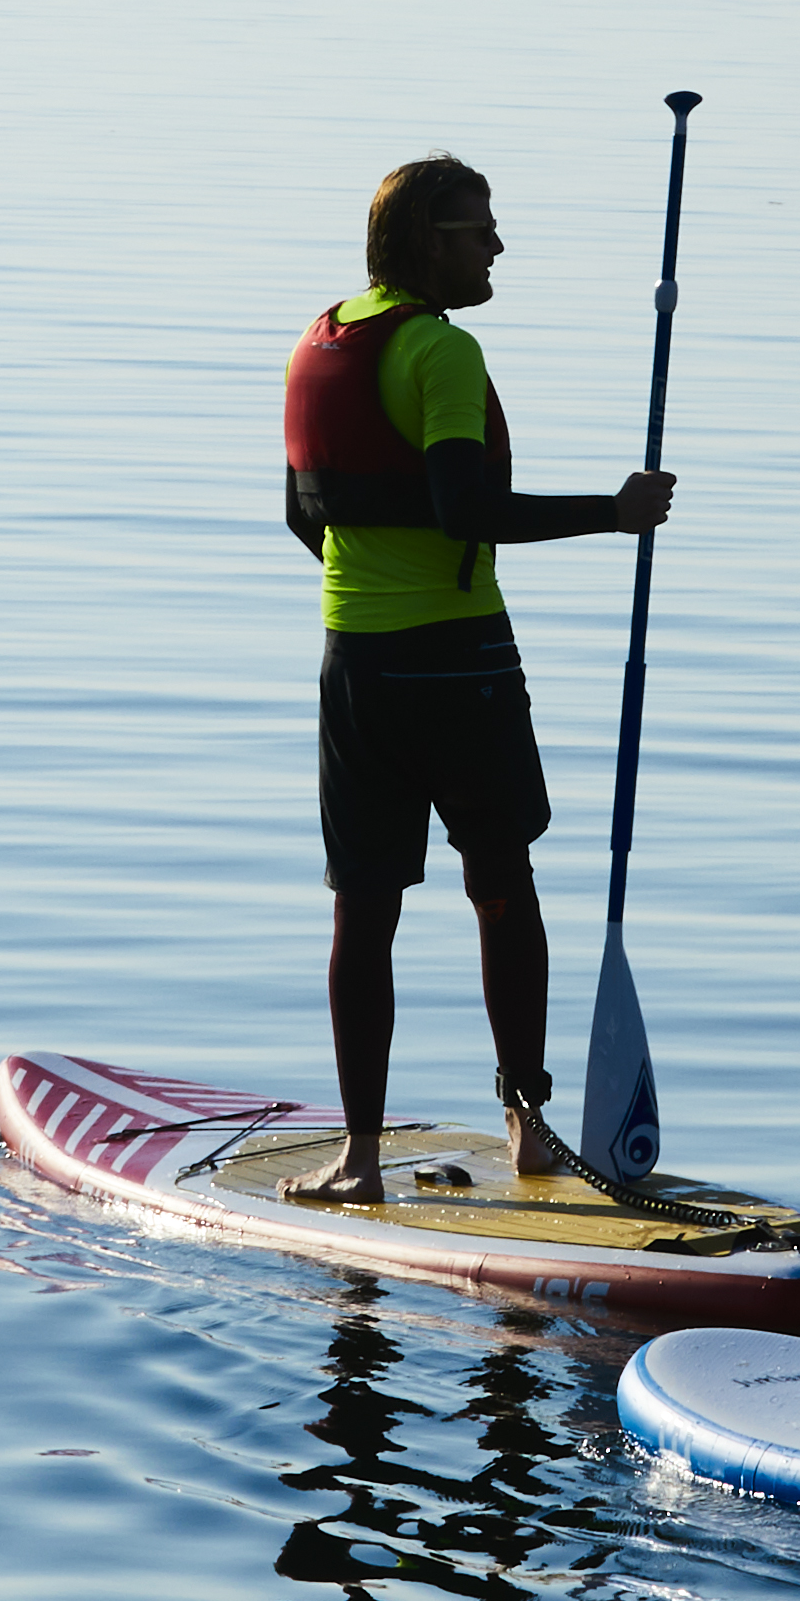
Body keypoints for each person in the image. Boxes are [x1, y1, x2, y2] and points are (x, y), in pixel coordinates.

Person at [287, 154, 675, 1205]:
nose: (496, 244)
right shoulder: (439, 349)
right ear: (426, 243)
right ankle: (528, 1126)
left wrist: (376, 592)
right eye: (477, 228)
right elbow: (464, 510)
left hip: (353, 664)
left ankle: (358, 1157)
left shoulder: (321, 343)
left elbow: (302, 516)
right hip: (459, 662)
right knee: (500, 885)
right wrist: (615, 509)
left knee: (361, 911)